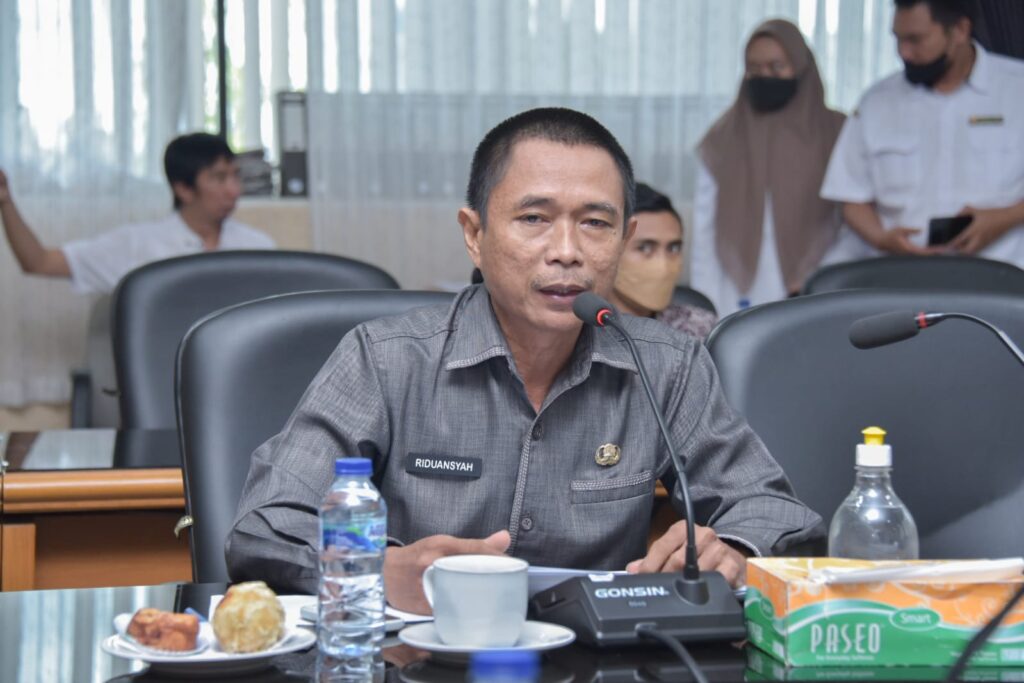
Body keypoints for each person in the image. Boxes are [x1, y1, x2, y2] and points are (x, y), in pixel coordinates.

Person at [226, 107, 823, 614]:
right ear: (474, 234)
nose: (566, 252)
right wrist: (376, 571)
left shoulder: (667, 366)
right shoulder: (385, 360)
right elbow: (267, 526)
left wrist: (735, 551)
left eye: (595, 223)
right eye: (534, 219)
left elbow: (775, 511)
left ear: (623, 238)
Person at [821, 0, 1024, 263]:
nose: (903, 52)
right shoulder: (877, 103)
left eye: (915, 40)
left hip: (1003, 273)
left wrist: (1004, 218)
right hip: (903, 274)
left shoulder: (1016, 90)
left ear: (960, 30)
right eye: (898, 39)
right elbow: (850, 197)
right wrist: (881, 238)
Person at [691, 19, 846, 317]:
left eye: (776, 67)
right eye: (754, 68)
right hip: (735, 288)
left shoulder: (837, 132)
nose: (765, 76)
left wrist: (820, 275)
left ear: (800, 67)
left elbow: (853, 221)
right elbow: (705, 229)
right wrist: (705, 307)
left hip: (819, 283)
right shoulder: (725, 135)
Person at [0, 133, 275, 295]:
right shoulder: (137, 246)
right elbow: (39, 262)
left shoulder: (257, 247)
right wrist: (6, 202)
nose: (234, 190)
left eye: (235, 176)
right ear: (183, 188)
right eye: (219, 178)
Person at [608, 182, 717, 339]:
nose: (663, 266)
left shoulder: (699, 328)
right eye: (645, 248)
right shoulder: (578, 331)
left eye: (673, 248)